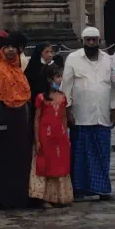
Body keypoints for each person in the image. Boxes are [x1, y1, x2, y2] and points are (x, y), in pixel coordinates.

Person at [61, 27, 115, 201]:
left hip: (102, 114)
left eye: (94, 40)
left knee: (102, 153)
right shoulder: (73, 59)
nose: (91, 43)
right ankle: (79, 189)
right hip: (81, 115)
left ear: (99, 41)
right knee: (80, 154)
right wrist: (67, 110)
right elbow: (66, 87)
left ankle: (102, 190)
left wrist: (113, 108)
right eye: (88, 40)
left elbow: (112, 87)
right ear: (82, 41)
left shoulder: (108, 59)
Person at [0, 33, 34, 210]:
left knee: (19, 161)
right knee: (3, 162)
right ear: (1, 50)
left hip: (20, 120)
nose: (11, 50)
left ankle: (18, 197)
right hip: (3, 120)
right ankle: (2, 199)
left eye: (13, 47)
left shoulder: (17, 70)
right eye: (7, 47)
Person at [29, 60, 73, 207]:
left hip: (59, 136)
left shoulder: (63, 97)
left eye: (60, 77)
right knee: (45, 164)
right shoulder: (41, 98)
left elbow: (64, 117)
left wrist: (65, 134)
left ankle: (59, 197)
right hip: (45, 135)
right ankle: (44, 198)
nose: (60, 80)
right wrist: (37, 139)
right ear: (49, 79)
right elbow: (37, 119)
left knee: (59, 164)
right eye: (57, 77)